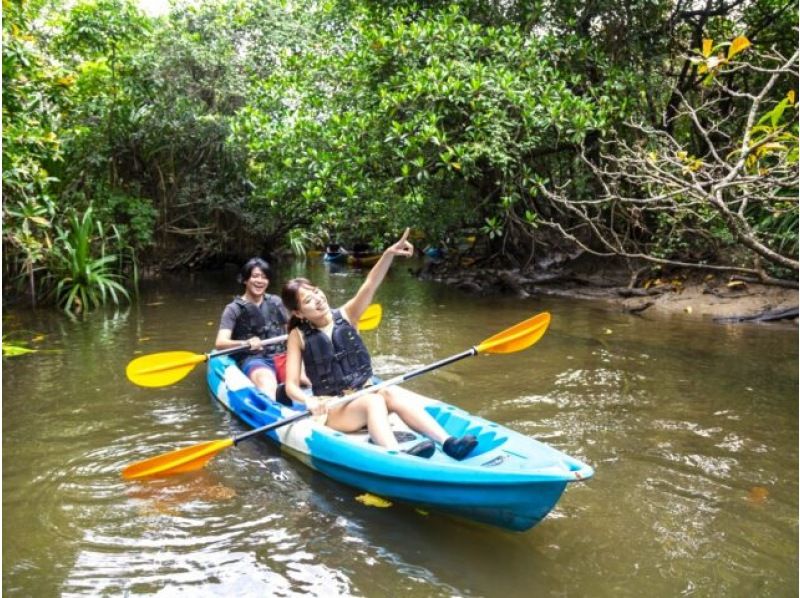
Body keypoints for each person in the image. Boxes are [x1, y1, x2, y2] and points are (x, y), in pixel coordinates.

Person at [280, 229, 478, 460]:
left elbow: (371, 283)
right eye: (308, 300)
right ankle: (395, 454)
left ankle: (448, 442)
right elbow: (291, 386)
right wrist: (309, 400)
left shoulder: (348, 314)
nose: (317, 299)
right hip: (334, 407)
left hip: (364, 391)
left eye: (316, 292)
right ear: (298, 312)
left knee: (388, 393)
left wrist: (388, 254)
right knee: (374, 400)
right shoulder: (298, 335)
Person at [215, 257, 289, 399]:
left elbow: (290, 329)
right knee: (266, 382)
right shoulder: (233, 309)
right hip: (254, 359)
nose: (260, 281)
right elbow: (220, 343)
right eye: (255, 276)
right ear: (245, 280)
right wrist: (245, 343)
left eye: (264, 277)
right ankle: (274, 411)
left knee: (305, 377)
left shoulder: (276, 302)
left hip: (281, 355)